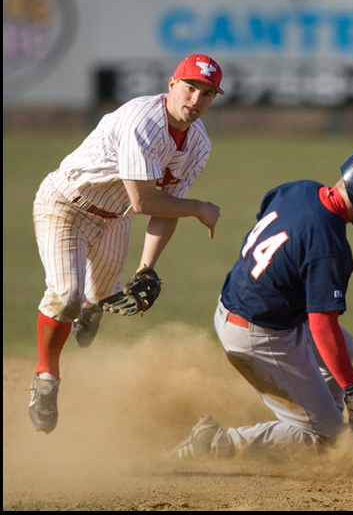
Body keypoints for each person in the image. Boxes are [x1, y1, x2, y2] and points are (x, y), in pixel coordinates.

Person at [171, 147, 353, 460]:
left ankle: (324, 423)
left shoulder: (302, 189)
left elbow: (266, 216)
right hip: (258, 335)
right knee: (326, 438)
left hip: (238, 307)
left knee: (343, 346)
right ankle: (216, 442)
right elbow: (323, 324)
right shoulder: (330, 246)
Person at [29, 54, 223, 434]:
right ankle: (45, 379)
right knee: (64, 295)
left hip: (114, 218)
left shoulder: (198, 144)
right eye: (190, 87)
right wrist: (200, 207)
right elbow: (144, 202)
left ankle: (93, 305)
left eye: (208, 93)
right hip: (66, 205)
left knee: (100, 296)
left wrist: (145, 268)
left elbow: (169, 208)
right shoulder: (143, 121)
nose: (196, 99)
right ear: (172, 85)